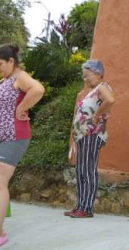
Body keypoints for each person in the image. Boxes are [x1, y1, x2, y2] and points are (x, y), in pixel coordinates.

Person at [0, 44, 44, 250]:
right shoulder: (3, 80)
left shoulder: (19, 76)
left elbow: (38, 89)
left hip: (12, 136)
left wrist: (21, 109)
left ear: (11, 62)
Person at [64, 59, 115, 218]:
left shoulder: (102, 87)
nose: (85, 79)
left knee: (88, 170)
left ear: (98, 74)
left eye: (87, 76)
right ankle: (80, 205)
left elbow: (110, 100)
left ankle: (86, 208)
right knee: (80, 171)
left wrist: (97, 115)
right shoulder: (91, 91)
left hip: (92, 135)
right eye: (83, 77)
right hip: (83, 136)